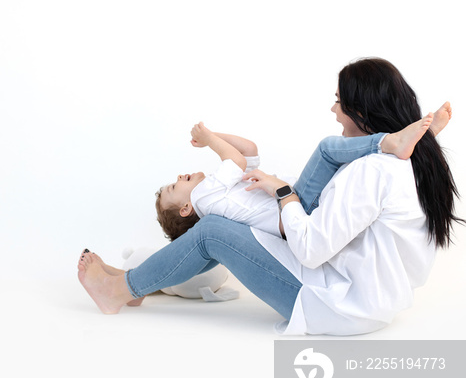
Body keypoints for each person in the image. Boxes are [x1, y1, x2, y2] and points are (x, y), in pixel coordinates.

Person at [78, 57, 462, 336]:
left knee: (211, 231)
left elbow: (312, 248)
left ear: (361, 111)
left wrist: (282, 193)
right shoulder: (408, 164)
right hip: (366, 299)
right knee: (219, 225)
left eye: (338, 102)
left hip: (340, 307)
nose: (332, 110)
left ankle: (119, 290)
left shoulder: (372, 170)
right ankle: (134, 282)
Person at [156, 117, 435, 241]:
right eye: (174, 186)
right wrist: (208, 140)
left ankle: (420, 141)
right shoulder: (205, 197)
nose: (180, 177)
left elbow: (248, 150)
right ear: (185, 208)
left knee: (359, 169)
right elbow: (236, 160)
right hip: (297, 206)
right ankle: (395, 142)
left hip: (297, 202)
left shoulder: (220, 192)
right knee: (328, 150)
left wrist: (212, 134)